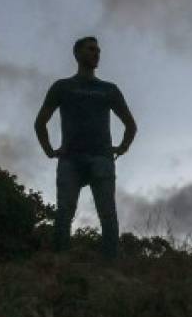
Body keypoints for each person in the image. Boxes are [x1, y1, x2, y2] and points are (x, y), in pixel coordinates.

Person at [34, 36, 137, 260]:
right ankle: (60, 264)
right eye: (91, 49)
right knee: (64, 213)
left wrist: (122, 147)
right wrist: (49, 150)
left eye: (98, 50)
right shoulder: (62, 87)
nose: (96, 53)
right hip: (70, 159)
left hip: (101, 158)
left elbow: (130, 124)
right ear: (77, 54)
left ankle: (110, 268)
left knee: (108, 215)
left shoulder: (108, 89)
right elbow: (40, 122)